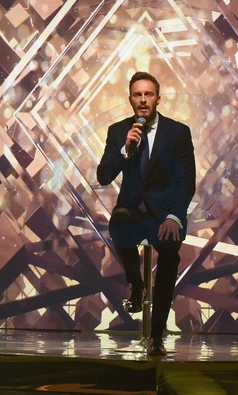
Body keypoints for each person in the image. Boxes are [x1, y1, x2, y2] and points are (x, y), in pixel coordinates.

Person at [97, 71, 196, 355]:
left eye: (148, 94)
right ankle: (137, 285)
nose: (143, 100)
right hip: (132, 211)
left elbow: (187, 180)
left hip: (164, 215)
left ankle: (156, 336)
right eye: (137, 95)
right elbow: (103, 176)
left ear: (158, 99)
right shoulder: (118, 131)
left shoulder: (177, 132)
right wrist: (125, 149)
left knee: (169, 256)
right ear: (130, 99)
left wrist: (175, 216)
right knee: (118, 222)